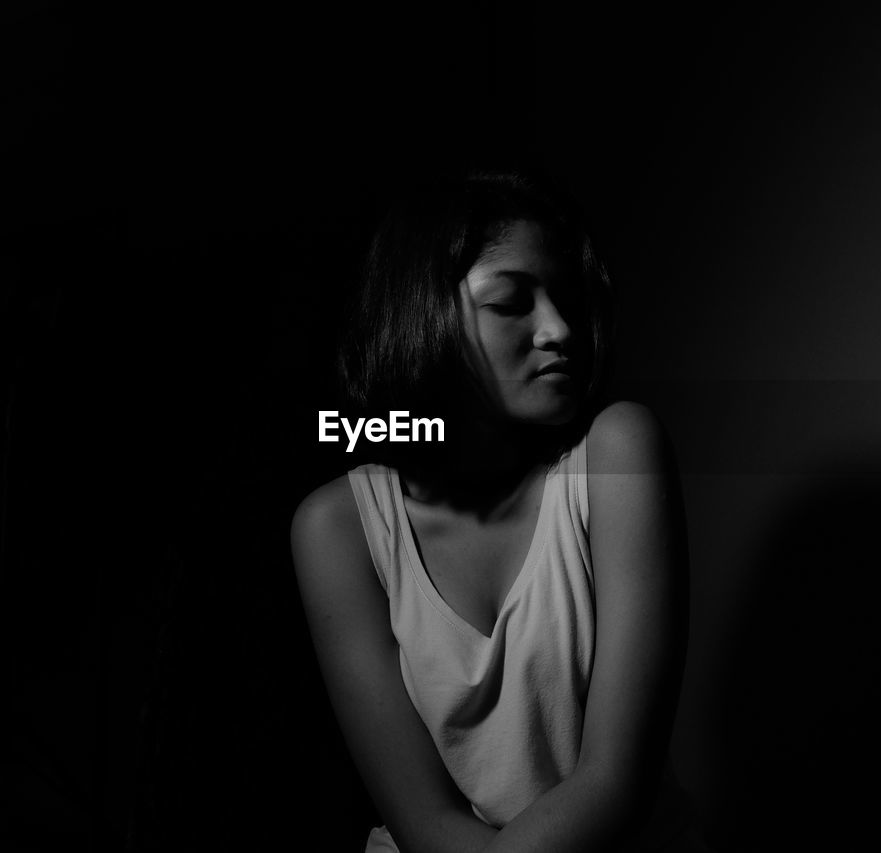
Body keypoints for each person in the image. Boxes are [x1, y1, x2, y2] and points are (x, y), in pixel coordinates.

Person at [291, 170, 700, 852]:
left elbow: (612, 784)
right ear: (425, 313)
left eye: (567, 297)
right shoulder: (336, 527)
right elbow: (422, 820)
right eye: (512, 302)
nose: (560, 329)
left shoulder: (617, 450)